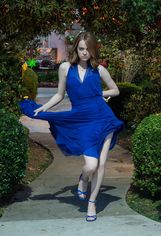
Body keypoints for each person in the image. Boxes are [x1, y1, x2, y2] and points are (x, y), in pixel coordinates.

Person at [19, 32, 123, 222]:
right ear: (76, 49)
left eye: (88, 49)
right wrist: (43, 107)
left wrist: (100, 94)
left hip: (103, 118)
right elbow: (59, 95)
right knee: (90, 165)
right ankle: (83, 179)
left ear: (93, 50)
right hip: (81, 121)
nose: (84, 53)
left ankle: (92, 202)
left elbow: (115, 90)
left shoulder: (99, 70)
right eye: (81, 49)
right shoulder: (66, 68)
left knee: (100, 165)